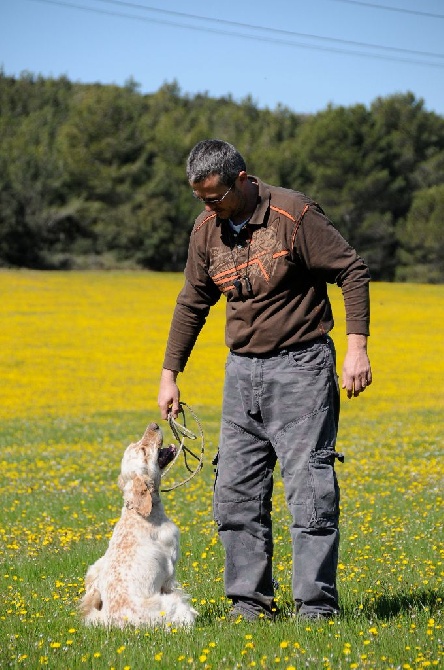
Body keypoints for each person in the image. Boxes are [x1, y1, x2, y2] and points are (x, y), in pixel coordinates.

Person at [158, 139, 372, 621]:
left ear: (241, 179)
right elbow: (192, 302)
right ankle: (249, 605)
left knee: (309, 492)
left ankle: (315, 609)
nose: (209, 207)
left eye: (215, 197)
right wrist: (170, 375)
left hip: (302, 368)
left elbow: (352, 271)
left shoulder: (294, 215)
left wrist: (356, 347)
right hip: (241, 375)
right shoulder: (206, 231)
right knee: (235, 493)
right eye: (200, 200)